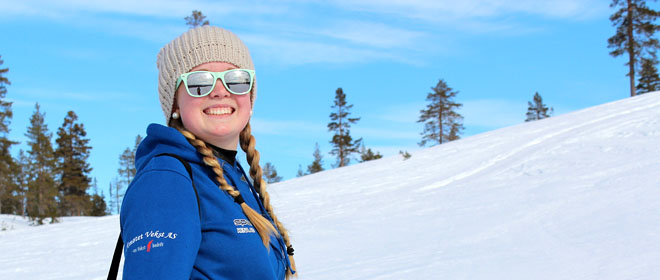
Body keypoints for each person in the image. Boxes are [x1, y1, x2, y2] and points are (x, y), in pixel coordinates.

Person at [119, 26, 296, 279]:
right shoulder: (166, 180)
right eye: (199, 82)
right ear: (175, 104)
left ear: (250, 96)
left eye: (235, 79)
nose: (220, 91)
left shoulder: (230, 179)